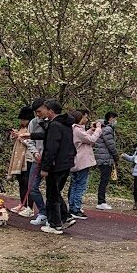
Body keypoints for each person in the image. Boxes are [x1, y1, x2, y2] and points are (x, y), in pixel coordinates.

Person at [34, 100, 76, 235]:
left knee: (52, 194)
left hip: (56, 165)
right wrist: (30, 135)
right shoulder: (65, 124)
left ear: (51, 111)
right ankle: (65, 216)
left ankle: (55, 224)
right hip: (66, 163)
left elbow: (51, 148)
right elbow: (48, 137)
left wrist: (45, 167)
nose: (44, 112)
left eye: (45, 109)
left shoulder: (55, 125)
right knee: (56, 192)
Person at [67, 110, 97, 220]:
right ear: (79, 119)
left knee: (75, 185)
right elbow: (91, 139)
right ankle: (76, 209)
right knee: (80, 186)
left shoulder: (73, 129)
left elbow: (83, 138)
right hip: (81, 162)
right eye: (84, 117)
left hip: (76, 162)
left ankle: (73, 207)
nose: (86, 119)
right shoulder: (77, 130)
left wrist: (91, 130)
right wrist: (98, 130)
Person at [7, 107, 33, 207]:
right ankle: (23, 204)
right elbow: (17, 143)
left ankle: (29, 206)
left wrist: (21, 137)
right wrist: (14, 136)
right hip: (19, 160)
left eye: (24, 119)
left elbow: (31, 143)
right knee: (21, 183)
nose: (22, 121)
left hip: (28, 159)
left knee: (27, 183)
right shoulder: (22, 128)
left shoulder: (31, 129)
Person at [93, 111, 118, 210]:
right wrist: (116, 157)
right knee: (104, 180)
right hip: (105, 158)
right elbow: (111, 145)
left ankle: (101, 200)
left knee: (104, 179)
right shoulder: (107, 129)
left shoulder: (102, 128)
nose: (116, 121)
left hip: (102, 157)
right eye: (115, 119)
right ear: (111, 118)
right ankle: (101, 201)